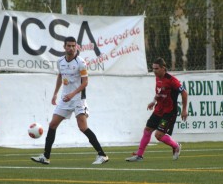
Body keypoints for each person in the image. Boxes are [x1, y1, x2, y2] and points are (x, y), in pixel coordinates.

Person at [31, 36, 109, 165]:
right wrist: (55, 94)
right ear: (64, 47)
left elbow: (85, 83)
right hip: (65, 99)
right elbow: (60, 76)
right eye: (69, 46)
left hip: (78, 99)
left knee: (83, 127)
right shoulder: (60, 61)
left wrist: (72, 94)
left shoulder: (81, 63)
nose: (72, 48)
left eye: (74, 46)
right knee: (52, 125)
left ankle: (102, 155)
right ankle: (46, 156)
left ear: (76, 47)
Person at [126, 57, 188, 162]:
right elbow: (160, 92)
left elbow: (184, 93)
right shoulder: (157, 78)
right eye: (153, 68)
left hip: (169, 112)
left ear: (163, 68)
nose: (154, 71)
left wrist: (184, 110)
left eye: (156, 68)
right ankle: (139, 155)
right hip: (159, 109)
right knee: (147, 130)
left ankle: (176, 146)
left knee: (158, 135)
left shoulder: (172, 80)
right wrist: (153, 101)